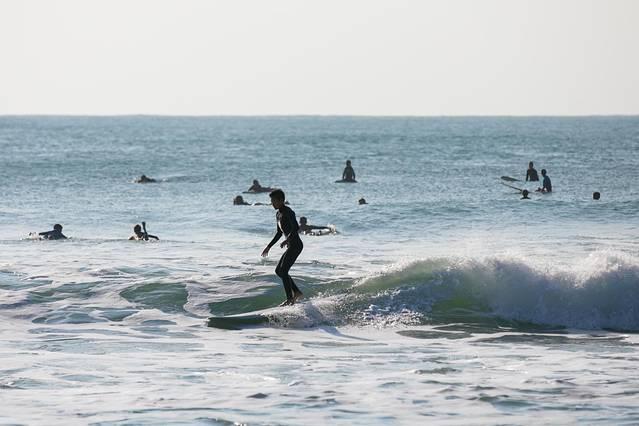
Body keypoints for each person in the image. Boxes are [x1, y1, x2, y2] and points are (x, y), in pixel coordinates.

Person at [261, 189, 304, 306]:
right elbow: (279, 233)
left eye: (274, 201)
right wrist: (268, 247)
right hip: (290, 245)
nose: (272, 203)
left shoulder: (289, 212)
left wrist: (287, 239)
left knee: (283, 271)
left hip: (295, 245)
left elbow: (295, 227)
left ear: (281, 200)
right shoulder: (278, 214)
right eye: (271, 201)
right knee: (279, 271)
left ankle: (290, 298)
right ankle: (297, 292)